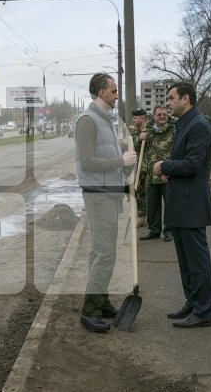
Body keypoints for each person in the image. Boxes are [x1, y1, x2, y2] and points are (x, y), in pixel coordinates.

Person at [75, 72, 137, 333]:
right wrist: (120, 162)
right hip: (98, 194)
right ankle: (89, 311)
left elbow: (106, 155)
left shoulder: (106, 121)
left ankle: (100, 301)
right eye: (113, 91)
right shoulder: (87, 121)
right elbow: (87, 162)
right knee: (104, 253)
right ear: (101, 92)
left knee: (101, 251)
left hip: (109, 193)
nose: (116, 95)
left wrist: (122, 156)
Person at [152, 81, 211, 328]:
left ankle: (204, 311)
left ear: (185, 99)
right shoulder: (184, 124)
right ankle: (192, 302)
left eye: (171, 98)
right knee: (186, 260)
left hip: (191, 205)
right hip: (180, 203)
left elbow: (193, 164)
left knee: (197, 261)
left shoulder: (199, 125)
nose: (168, 103)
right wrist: (170, 172)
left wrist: (164, 166)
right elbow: (184, 160)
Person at [140, 105, 175, 242]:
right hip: (151, 176)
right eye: (159, 114)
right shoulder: (147, 131)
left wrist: (169, 172)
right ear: (154, 116)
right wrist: (140, 138)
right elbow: (135, 146)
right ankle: (154, 230)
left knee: (170, 205)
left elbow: (177, 152)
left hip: (167, 175)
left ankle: (169, 231)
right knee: (152, 206)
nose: (162, 117)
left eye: (164, 115)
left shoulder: (173, 131)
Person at [131, 108, 149, 228]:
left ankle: (153, 219)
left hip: (151, 167)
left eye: (135, 118)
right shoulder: (135, 133)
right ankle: (142, 217)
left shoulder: (152, 130)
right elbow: (133, 147)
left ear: (142, 118)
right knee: (139, 192)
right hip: (139, 167)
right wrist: (139, 139)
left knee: (152, 194)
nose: (133, 120)